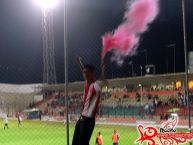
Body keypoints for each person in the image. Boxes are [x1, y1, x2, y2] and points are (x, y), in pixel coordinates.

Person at [72, 56, 107, 145]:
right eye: (84, 73)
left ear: (92, 73)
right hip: (81, 119)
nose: (85, 74)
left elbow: (103, 79)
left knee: (82, 143)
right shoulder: (87, 83)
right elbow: (83, 70)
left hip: (88, 121)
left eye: (87, 73)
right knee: (75, 142)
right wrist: (79, 63)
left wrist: (103, 68)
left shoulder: (96, 85)